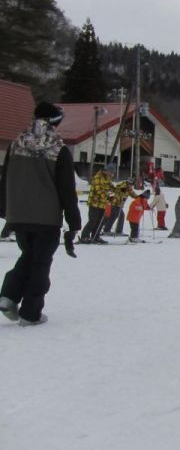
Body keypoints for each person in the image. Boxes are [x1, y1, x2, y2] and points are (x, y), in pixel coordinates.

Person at [0, 102, 81, 326]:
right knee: (41, 262)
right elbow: (66, 189)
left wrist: (5, 209)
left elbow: (4, 177)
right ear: (56, 122)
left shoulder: (16, 144)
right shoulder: (58, 149)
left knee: (29, 255)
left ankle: (9, 295)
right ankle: (30, 313)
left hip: (19, 213)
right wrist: (74, 221)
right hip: (46, 216)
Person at [80, 163, 116, 244]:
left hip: (102, 204)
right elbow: (99, 190)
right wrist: (107, 197)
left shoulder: (108, 178)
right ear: (107, 171)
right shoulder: (97, 177)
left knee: (100, 221)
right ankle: (84, 236)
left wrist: (117, 190)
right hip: (94, 203)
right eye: (111, 172)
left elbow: (111, 187)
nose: (112, 174)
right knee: (93, 221)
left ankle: (95, 236)